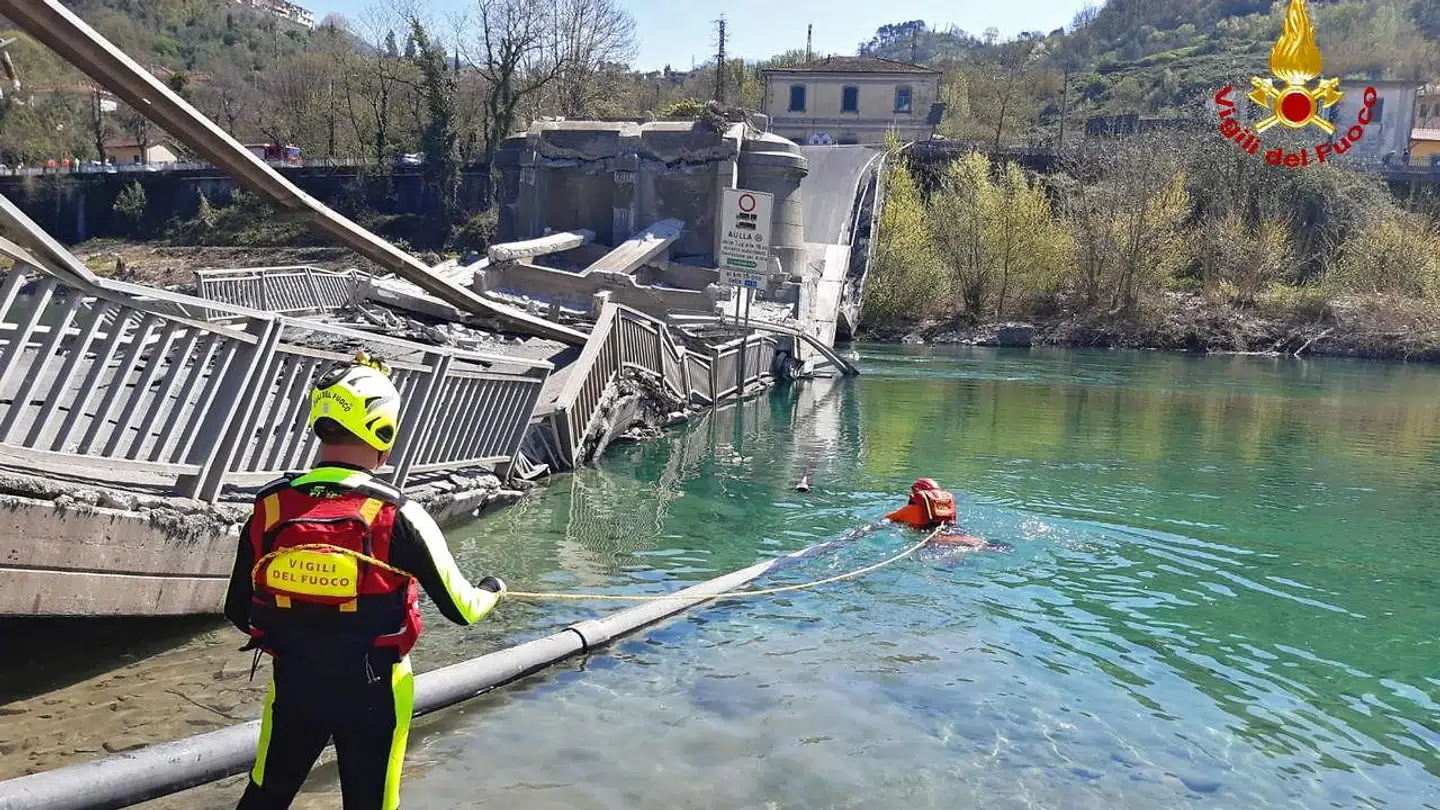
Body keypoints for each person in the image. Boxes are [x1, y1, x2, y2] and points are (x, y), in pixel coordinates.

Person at [224, 351, 508, 810]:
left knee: (266, 795)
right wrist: (493, 591)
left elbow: (238, 611)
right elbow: (462, 609)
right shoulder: (399, 514)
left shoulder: (270, 506)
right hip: (376, 691)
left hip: (294, 683)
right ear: (384, 432)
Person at [886, 478, 990, 549]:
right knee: (980, 544)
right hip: (954, 531)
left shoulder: (911, 509)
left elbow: (889, 518)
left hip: (932, 538)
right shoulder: (946, 506)